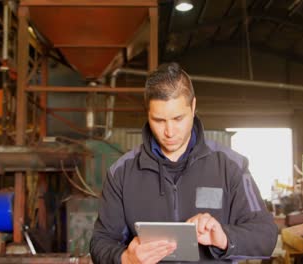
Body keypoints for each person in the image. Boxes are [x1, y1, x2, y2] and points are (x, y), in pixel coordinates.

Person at [90, 62, 278, 263]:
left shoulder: (231, 166)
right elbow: (100, 242)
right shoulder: (122, 172)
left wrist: (224, 237)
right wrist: (125, 259)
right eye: (159, 120)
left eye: (178, 118)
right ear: (147, 113)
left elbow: (265, 236)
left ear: (193, 106)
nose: (169, 131)